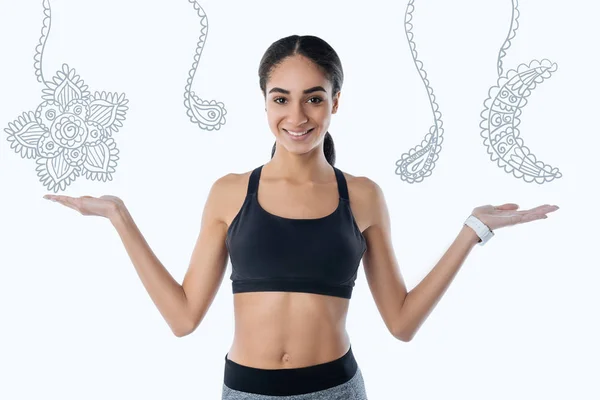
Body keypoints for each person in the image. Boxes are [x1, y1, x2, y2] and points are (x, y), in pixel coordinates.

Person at [43, 35, 559, 399]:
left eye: (314, 99)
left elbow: (401, 323)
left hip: (336, 389)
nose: (297, 117)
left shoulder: (362, 195)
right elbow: (183, 318)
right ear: (264, 103)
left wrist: (473, 231)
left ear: (336, 101)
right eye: (281, 99)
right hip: (247, 391)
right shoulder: (229, 192)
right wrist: (118, 216)